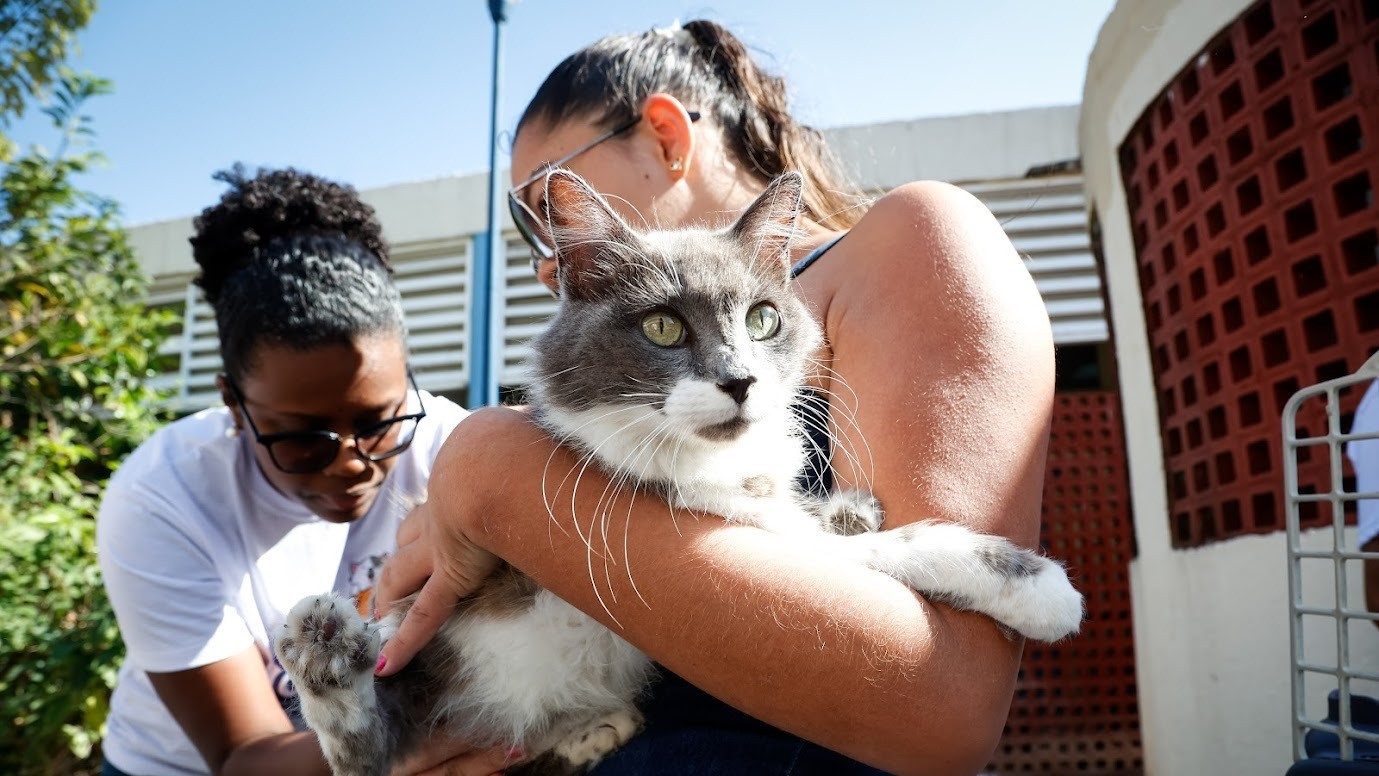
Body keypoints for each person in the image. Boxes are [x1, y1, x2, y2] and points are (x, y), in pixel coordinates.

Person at [373, 20, 1056, 776]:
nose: (545, 265)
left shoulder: (906, 241)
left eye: (544, 207)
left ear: (665, 134)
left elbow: (942, 708)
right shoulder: (616, 365)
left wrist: (494, 475)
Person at [95, 168, 508, 776]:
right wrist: (404, 746)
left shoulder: (450, 450)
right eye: (303, 439)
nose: (353, 462)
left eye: (378, 422)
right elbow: (244, 755)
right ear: (235, 406)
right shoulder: (164, 495)